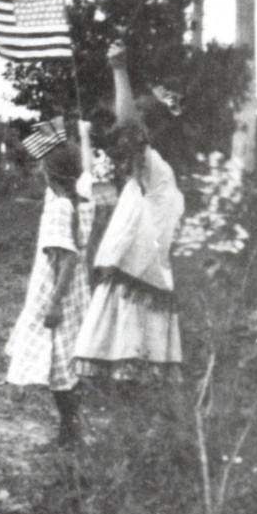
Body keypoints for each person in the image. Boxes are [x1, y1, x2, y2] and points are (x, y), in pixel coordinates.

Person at [73, 40, 185, 383]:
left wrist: (121, 70)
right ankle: (126, 375)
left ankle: (133, 374)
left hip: (145, 261)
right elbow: (129, 127)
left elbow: (131, 128)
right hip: (137, 261)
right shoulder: (152, 164)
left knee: (138, 318)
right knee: (130, 320)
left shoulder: (160, 166)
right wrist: (119, 70)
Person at [5, 139, 95, 447]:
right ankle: (69, 432)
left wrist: (54, 302)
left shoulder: (60, 207)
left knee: (59, 364)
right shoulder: (79, 200)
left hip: (59, 290)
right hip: (72, 288)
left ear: (48, 173)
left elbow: (67, 257)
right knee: (65, 362)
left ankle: (71, 433)